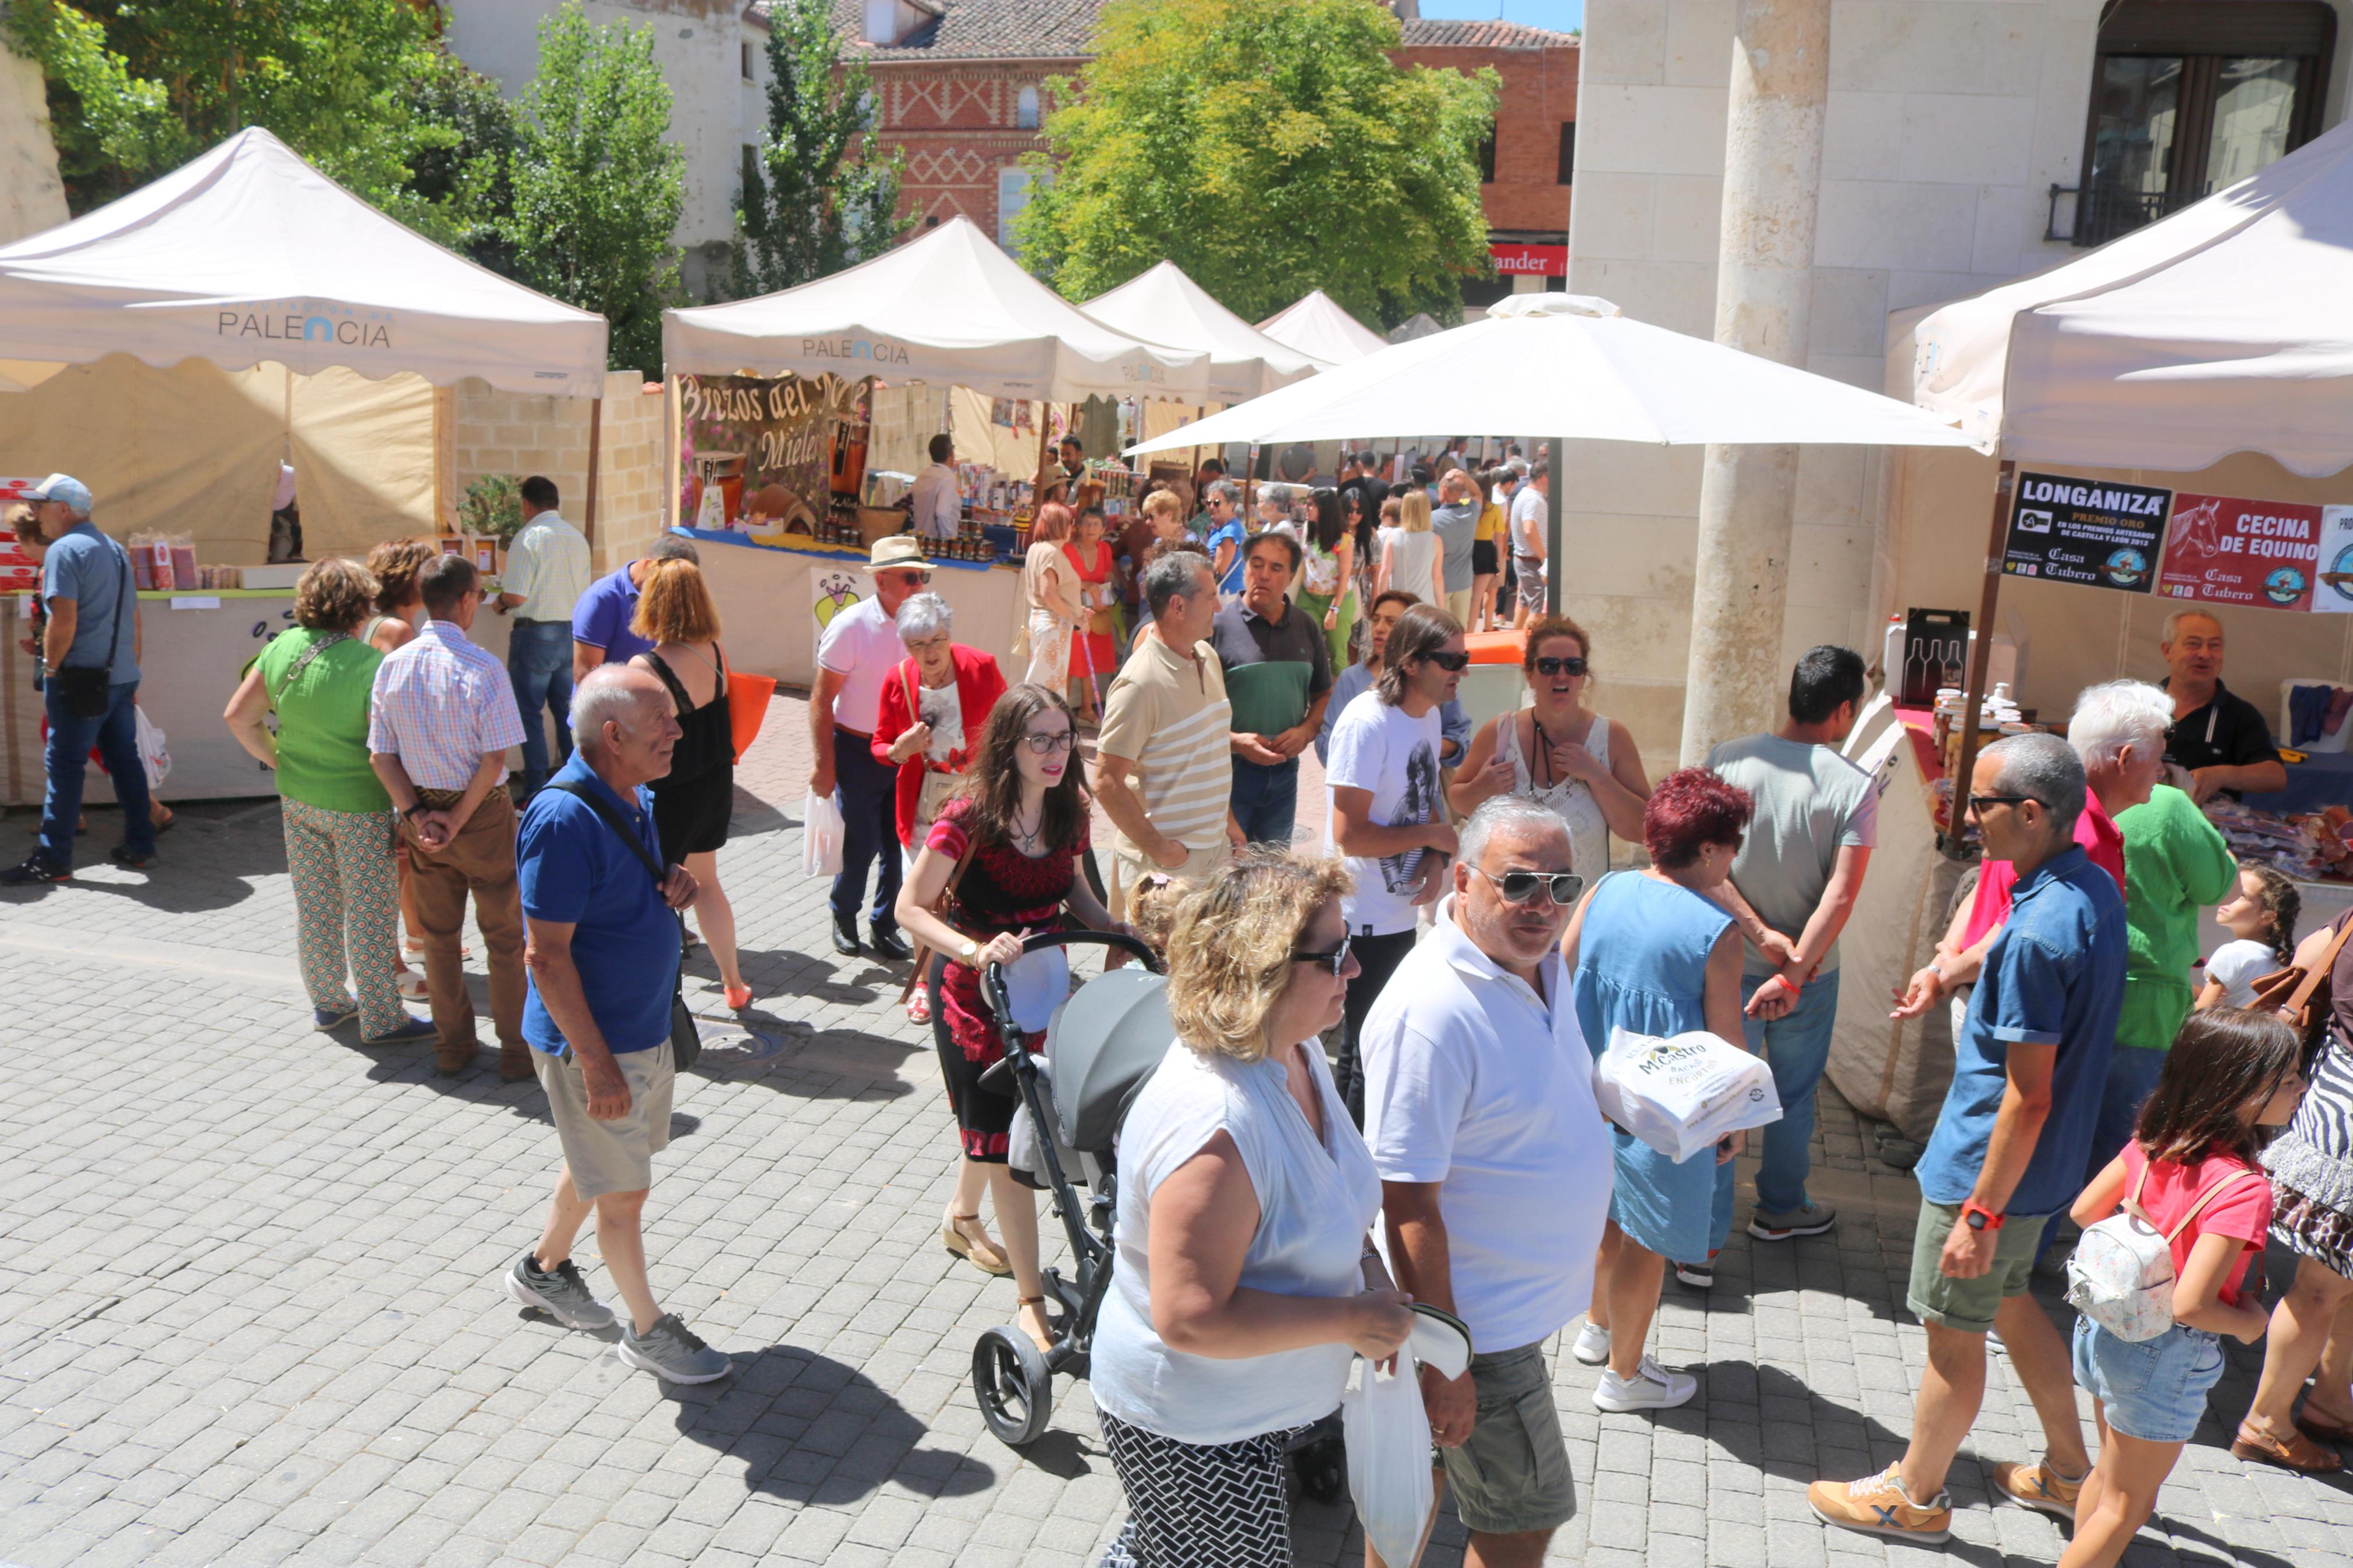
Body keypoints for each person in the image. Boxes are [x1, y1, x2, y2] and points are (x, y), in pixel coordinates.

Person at [1809, 733, 2125, 1542]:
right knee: (2011, 1302)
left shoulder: (2036, 933)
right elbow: (2020, 935)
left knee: (1951, 1335)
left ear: (2028, 811)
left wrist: (1977, 1215)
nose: (1962, 815)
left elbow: (2025, 1095)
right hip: (2043, 1172)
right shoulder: (2084, 884)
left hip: (1987, 1172)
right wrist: (1951, 967)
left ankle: (1912, 1495)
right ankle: (2064, 1470)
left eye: (1976, 802)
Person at [1089, 850, 1414, 1568]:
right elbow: (1190, 1315)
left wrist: (1366, 1269)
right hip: (1196, 1425)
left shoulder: (1292, 1052)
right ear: (1261, 967)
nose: (1355, 970)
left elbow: (1329, 1191)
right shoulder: (1216, 1125)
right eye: (1334, 956)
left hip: (1255, 1410)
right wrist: (1353, 1320)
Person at [1362, 798, 1614, 1566]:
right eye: (1518, 884)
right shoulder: (1430, 1011)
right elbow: (1403, 1200)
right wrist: (1446, 1359)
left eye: (1560, 886)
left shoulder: (1538, 960)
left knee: (1412, 1486)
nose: (1542, 906)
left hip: (1496, 1318)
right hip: (1475, 1330)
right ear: (1464, 880)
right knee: (1523, 1516)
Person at [506, 665, 730, 1386]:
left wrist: (673, 881)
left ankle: (541, 1271)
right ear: (613, 736)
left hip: (642, 1031)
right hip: (598, 1047)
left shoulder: (633, 795)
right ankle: (647, 1329)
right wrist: (595, 1064)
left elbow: (616, 892)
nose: (676, 729)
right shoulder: (562, 819)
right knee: (624, 1195)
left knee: (599, 1163)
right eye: (662, 718)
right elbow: (544, 955)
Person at [896, 685, 1115, 1356]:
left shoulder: (1068, 809)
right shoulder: (966, 816)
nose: (1056, 754)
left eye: (1064, 738)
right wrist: (972, 948)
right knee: (1004, 1143)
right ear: (1008, 747)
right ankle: (1028, 1296)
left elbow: (1073, 888)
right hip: (972, 992)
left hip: (1043, 982)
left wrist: (1116, 928)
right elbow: (912, 906)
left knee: (1008, 1122)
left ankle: (962, 1218)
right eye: (1040, 740)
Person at [2060, 1009, 2302, 1566]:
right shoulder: (2241, 1188)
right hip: (2162, 1355)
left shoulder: (2153, 1141)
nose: (2300, 1086)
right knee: (2127, 1505)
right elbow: (2191, 1304)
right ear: (2240, 1086)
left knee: (2108, 1479)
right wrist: (2250, 1322)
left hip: (2104, 1327)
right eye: (2286, 1077)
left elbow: (2082, 1211)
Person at [1562, 769, 1754, 1410]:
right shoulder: (1716, 928)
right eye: (1732, 845)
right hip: (1661, 1108)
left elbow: (1560, 972)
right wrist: (1733, 1123)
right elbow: (1726, 1043)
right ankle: (1624, 1376)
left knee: (1606, 1218)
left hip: (1592, 1092)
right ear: (1708, 851)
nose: (1732, 859)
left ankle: (1594, 1329)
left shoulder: (1606, 888)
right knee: (1648, 1239)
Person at [1702, 646, 1876, 1251]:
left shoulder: (1726, 759)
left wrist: (1755, 932)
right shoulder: (1852, 785)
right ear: (1844, 708)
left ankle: (1702, 1238)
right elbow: (1841, 893)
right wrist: (1795, 970)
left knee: (1720, 1094)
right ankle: (1779, 1209)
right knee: (1792, 1095)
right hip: (1805, 978)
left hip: (1723, 963)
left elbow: (1702, 864)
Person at [221, 559, 431, 1045]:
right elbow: (392, 750)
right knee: (370, 911)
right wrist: (408, 812)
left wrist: (280, 763)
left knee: (315, 906)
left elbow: (238, 716)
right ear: (360, 605)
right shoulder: (369, 666)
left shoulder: (282, 647)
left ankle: (330, 1003)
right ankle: (382, 1015)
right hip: (359, 805)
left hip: (299, 799)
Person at [367, 553, 532, 1080]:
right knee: (504, 938)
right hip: (478, 813)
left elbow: (380, 755)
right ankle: (515, 1051)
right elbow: (495, 760)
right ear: (464, 601)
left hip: (424, 814)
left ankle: (453, 1045)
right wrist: (456, 819)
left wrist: (418, 816)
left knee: (438, 940)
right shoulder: (483, 666)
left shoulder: (393, 663)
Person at [2093, 681, 2238, 1197]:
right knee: (2120, 1146)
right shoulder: (2168, 806)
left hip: (2085, 993)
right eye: (2157, 755)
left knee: (2068, 1132)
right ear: (2132, 754)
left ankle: (2036, 1249)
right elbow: (2216, 884)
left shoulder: (2064, 793)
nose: (2160, 769)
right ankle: (2078, 1250)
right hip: (2147, 1001)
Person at [1326, 603, 1465, 1124]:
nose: (1462, 670)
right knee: (1368, 1048)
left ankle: (1347, 1167)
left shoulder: (1428, 714)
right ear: (1410, 662)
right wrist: (1434, 834)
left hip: (1397, 910)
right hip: (1356, 913)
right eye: (1450, 660)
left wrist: (1432, 855)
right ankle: (1352, 1178)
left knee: (1369, 1047)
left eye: (1463, 657)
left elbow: (1423, 792)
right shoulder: (1365, 723)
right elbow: (1349, 835)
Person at [2233, 900, 2353, 1471]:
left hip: (2333, 1096)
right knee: (2318, 1286)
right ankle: (2267, 1420)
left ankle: (2328, 1404)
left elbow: (2308, 957)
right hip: (2345, 1121)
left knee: (2341, 1279)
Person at [3, 475, 157, 886]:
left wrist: (52, 668)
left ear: (63, 509)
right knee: (124, 761)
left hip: (82, 677)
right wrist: (131, 666)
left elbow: (64, 620)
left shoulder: (66, 549)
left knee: (66, 767)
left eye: (40, 506)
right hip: (119, 675)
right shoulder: (115, 548)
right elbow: (133, 618)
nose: (35, 514)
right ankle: (141, 844)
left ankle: (53, 858)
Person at [871, 592, 1006, 1021]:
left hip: (977, 799)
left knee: (978, 890)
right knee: (924, 897)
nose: (928, 653)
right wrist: (899, 749)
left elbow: (1009, 725)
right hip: (926, 802)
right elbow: (879, 745)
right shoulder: (897, 679)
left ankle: (979, 974)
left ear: (950, 636)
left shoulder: (980, 666)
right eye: (917, 645)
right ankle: (926, 984)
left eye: (936, 640)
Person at [1093, 552, 1244, 922]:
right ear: (1178, 605)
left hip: (1211, 856)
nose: (1219, 606)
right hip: (1164, 869)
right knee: (1144, 973)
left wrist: (1228, 826)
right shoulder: (1139, 683)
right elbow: (1106, 781)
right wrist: (1163, 851)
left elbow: (1206, 751)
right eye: (1210, 596)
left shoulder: (1206, 656)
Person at [1448, 615, 1651, 888]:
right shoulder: (1500, 733)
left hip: (1577, 913)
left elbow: (1643, 829)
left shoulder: (1612, 738)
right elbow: (1458, 801)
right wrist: (1482, 789)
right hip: (1511, 907)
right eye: (1549, 665)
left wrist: (1598, 777)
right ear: (1530, 675)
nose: (1561, 675)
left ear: (1583, 677)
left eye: (1573, 666)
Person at [624, 559, 746, 1011]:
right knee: (707, 884)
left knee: (657, 892)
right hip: (715, 781)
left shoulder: (648, 664)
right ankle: (733, 981)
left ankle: (654, 993)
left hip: (671, 791)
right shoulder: (714, 650)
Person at [810, 535, 931, 961]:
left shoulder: (925, 627)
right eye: (910, 577)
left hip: (907, 752)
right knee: (859, 842)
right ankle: (844, 914)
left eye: (923, 577)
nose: (919, 586)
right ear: (881, 580)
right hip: (858, 751)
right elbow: (821, 700)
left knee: (899, 843)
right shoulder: (850, 627)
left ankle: (885, 924)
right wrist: (824, 765)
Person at [1215, 532, 1333, 848]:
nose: (1264, 575)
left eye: (1277, 568)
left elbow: (1323, 693)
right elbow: (1192, 714)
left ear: (1292, 576)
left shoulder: (1306, 627)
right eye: (1257, 564)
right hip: (1228, 777)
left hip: (1284, 777)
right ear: (1244, 568)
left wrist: (1307, 730)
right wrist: (1236, 742)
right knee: (1225, 876)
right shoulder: (1217, 628)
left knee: (1273, 878)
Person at [361, 536, 438, 998]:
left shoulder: (378, 624)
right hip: (394, 762)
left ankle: (414, 941)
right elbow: (402, 708)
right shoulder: (400, 632)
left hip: (381, 758)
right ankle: (390, 964)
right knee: (395, 865)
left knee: (404, 861)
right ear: (413, 581)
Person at [491, 475, 591, 799]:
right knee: (567, 713)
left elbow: (517, 595)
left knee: (528, 714)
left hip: (536, 635)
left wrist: (500, 602)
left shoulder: (529, 537)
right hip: (571, 633)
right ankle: (575, 782)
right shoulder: (577, 538)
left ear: (527, 504)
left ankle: (536, 788)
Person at [1314, 590, 1472, 771]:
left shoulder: (1434, 681)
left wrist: (1418, 744)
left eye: (1391, 622)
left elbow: (1460, 740)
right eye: (1376, 620)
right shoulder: (1353, 681)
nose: (1379, 628)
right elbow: (1328, 745)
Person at [2157, 611, 2286, 802]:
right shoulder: (2140, 704)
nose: (2205, 654)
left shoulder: (2240, 715)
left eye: (2214, 646)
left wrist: (2222, 775)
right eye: (2194, 644)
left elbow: (2275, 776)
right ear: (2168, 651)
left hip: (2204, 826)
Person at [571, 534, 702, 682]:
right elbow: (585, 676)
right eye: (666, 583)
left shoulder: (675, 595)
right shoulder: (601, 599)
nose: (673, 593)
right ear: (647, 565)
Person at [2197, 863, 2299, 1009]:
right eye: (2230, 890)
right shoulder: (2278, 960)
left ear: (2267, 916)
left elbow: (2204, 1011)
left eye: (2240, 894)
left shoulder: (2231, 953)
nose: (2228, 897)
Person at [1018, 501, 1083, 696]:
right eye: (1069, 522)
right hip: (1054, 624)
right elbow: (1049, 593)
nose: (1072, 527)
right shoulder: (1052, 553)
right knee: (1046, 687)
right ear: (1060, 525)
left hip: (1044, 621)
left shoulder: (1037, 548)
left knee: (1043, 682)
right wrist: (1074, 617)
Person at [1063, 506, 1117, 724]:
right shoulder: (1068, 549)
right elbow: (1062, 583)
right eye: (1086, 523)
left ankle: (1086, 709)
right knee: (1070, 663)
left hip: (1094, 612)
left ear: (1103, 529)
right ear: (1078, 527)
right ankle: (1062, 709)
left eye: (1096, 524)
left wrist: (1104, 601)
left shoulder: (1105, 549)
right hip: (1071, 611)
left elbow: (1106, 580)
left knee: (1091, 660)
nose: (1091, 528)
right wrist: (1085, 585)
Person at [1294, 486, 1357, 673]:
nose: (1306, 508)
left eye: (1311, 504)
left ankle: (1337, 699)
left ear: (1324, 508)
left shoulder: (1343, 539)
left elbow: (1345, 574)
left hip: (1338, 601)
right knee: (1303, 648)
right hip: (1309, 598)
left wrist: (1334, 609)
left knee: (1338, 654)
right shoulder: (1309, 531)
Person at [363, 538, 434, 654]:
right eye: (429, 573)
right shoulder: (398, 629)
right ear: (412, 579)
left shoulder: (388, 623)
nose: (434, 580)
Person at [1376, 488, 1444, 609]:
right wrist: (1442, 607)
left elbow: (1385, 574)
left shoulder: (1393, 537)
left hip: (1400, 603)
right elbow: (1437, 578)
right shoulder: (1435, 540)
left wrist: (1383, 603)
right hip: (1426, 604)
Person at [1431, 467, 1480, 628]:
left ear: (1443, 490)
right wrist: (1465, 478)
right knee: (1460, 630)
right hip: (1464, 583)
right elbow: (1478, 494)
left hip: (1440, 583)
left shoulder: (1432, 518)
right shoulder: (1471, 513)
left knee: (1439, 630)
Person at [1510, 461, 1550, 628]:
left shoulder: (1526, 494)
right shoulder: (1534, 500)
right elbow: (1529, 529)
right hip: (1532, 561)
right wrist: (1545, 559)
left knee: (1524, 605)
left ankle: (1514, 646)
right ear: (1544, 478)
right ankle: (1528, 650)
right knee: (1537, 612)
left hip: (1526, 560)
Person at [1470, 467, 1510, 634]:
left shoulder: (1465, 505)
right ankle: (1479, 629)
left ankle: (1467, 630)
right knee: (1483, 595)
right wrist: (1500, 562)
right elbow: (1499, 538)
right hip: (1486, 551)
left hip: (1467, 549)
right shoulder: (1493, 509)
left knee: (1469, 596)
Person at [910, 432, 962, 542]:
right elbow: (942, 513)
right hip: (937, 545)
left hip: (920, 540)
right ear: (951, 452)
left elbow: (903, 503)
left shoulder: (922, 476)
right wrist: (947, 539)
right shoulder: (948, 478)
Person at [1201, 479, 1248, 603]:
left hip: (1225, 595)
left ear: (1231, 505)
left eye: (1217, 503)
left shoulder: (1229, 532)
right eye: (1209, 502)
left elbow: (1219, 570)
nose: (1211, 507)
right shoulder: (1222, 528)